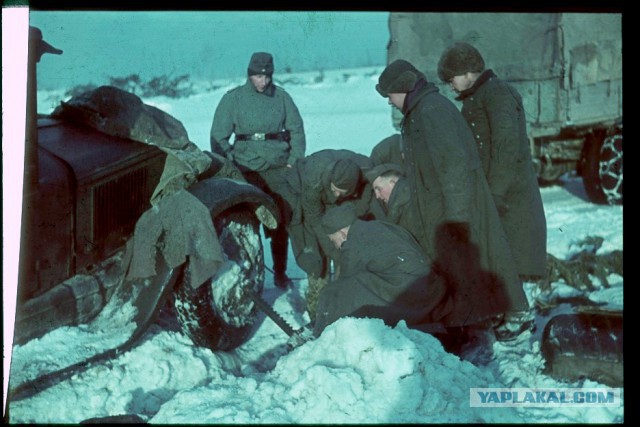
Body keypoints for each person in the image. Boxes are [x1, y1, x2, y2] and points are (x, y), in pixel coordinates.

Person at [375, 59, 531, 341]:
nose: (388, 102)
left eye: (389, 95)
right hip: (444, 205)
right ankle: (483, 318)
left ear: (403, 88)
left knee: (484, 258)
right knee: (470, 264)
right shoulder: (421, 110)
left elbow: (454, 165)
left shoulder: (431, 111)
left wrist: (457, 216)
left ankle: (513, 315)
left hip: (455, 205)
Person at [437, 42, 547, 284]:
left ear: (468, 72)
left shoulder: (497, 94)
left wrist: (496, 194)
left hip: (510, 197)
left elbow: (505, 147)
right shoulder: (477, 97)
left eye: (451, 77)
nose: (450, 84)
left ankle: (520, 318)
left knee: (518, 262)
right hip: (497, 195)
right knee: (500, 261)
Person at [210, 52, 306, 289]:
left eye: (267, 76)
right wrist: (230, 164)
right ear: (249, 75)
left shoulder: (282, 97)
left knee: (280, 222)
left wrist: (294, 161)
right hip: (246, 170)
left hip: (278, 168)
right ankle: (248, 277)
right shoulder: (233, 99)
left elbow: (297, 130)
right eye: (258, 76)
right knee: (245, 224)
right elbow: (218, 137)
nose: (263, 81)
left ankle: (280, 272)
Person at [312, 204, 452, 337]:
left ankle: (323, 336)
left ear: (342, 233)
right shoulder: (379, 225)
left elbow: (343, 285)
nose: (336, 246)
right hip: (431, 288)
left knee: (338, 290)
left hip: (410, 295)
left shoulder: (353, 242)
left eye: (333, 240)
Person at [279, 148, 373, 320]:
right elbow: (314, 218)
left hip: (341, 201)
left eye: (341, 192)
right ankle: (317, 313)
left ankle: (343, 306)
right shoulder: (313, 177)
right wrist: (334, 251)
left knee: (347, 248)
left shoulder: (367, 172)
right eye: (334, 189)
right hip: (302, 197)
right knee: (315, 257)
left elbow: (361, 210)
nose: (336, 195)